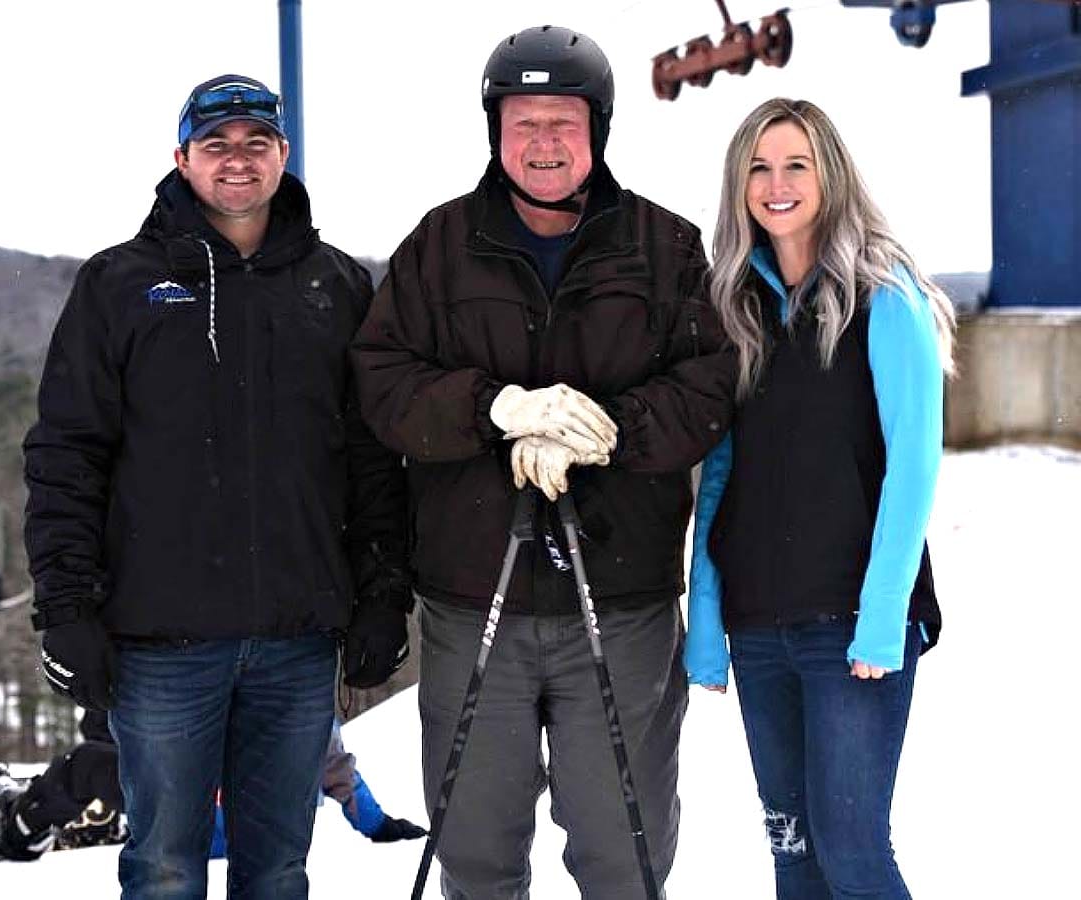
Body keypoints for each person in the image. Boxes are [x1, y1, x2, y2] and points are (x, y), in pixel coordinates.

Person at [351, 26, 736, 898]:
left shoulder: (663, 248)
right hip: (471, 594)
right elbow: (381, 382)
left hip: (623, 596)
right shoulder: (440, 247)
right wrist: (492, 408)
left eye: (562, 123)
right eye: (523, 123)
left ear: (597, 129)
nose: (543, 144)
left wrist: (613, 426)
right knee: (477, 847)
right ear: (494, 131)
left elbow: (712, 384)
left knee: (622, 848)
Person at [22, 74, 410, 899]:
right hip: (161, 645)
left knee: (277, 872)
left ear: (283, 155)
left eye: (255, 143)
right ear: (182, 159)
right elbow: (66, 454)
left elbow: (373, 460)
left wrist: (382, 593)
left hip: (297, 641)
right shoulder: (120, 284)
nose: (238, 161)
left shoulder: (337, 287)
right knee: (163, 869)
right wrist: (66, 608)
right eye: (217, 145)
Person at [685, 98, 956, 900]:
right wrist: (706, 618)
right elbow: (720, 478)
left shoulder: (885, 295)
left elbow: (914, 465)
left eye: (795, 164)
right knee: (793, 852)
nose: (776, 184)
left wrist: (883, 615)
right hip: (760, 626)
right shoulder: (736, 309)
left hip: (851, 629)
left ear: (829, 175)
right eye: (758, 169)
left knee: (853, 852)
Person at [0, 715, 426, 862]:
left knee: (88, 759)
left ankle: (22, 825)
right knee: (105, 729)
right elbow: (341, 774)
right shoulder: (299, 695)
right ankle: (92, 800)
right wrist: (378, 824)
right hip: (255, 835)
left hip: (191, 818)